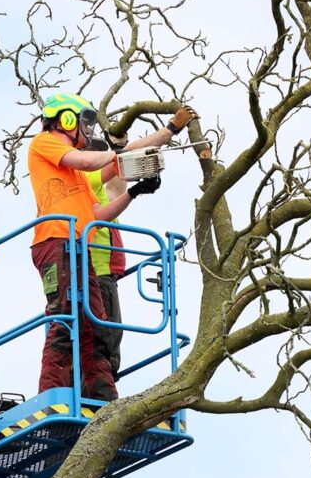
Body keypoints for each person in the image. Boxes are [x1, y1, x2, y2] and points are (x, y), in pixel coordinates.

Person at [27, 92, 197, 400]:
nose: (86, 131)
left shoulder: (77, 174)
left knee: (94, 325)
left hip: (78, 247)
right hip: (55, 242)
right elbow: (93, 158)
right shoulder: (45, 143)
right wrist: (114, 151)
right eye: (82, 123)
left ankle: (102, 398)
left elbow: (97, 214)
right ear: (65, 120)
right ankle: (52, 397)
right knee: (66, 319)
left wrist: (135, 191)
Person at [83, 105, 198, 377]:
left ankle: (100, 384)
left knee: (100, 336)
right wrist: (171, 129)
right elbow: (130, 154)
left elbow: (122, 174)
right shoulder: (87, 178)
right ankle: (102, 390)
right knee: (106, 337)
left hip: (97, 275)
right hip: (97, 274)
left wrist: (137, 188)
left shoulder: (96, 191)